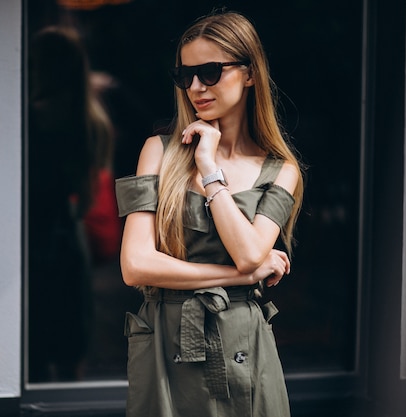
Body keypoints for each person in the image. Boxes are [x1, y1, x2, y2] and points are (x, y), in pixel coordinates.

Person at [115, 10, 304, 417]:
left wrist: (209, 168)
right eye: (185, 76)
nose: (196, 87)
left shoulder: (280, 170)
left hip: (245, 341)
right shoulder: (159, 151)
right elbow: (135, 266)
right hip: (169, 345)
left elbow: (250, 255)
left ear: (250, 73)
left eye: (211, 71)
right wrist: (242, 276)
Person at [27, 25, 114, 381]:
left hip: (33, 236)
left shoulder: (30, 117)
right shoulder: (93, 119)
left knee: (32, 350)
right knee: (69, 346)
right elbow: (88, 195)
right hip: (68, 236)